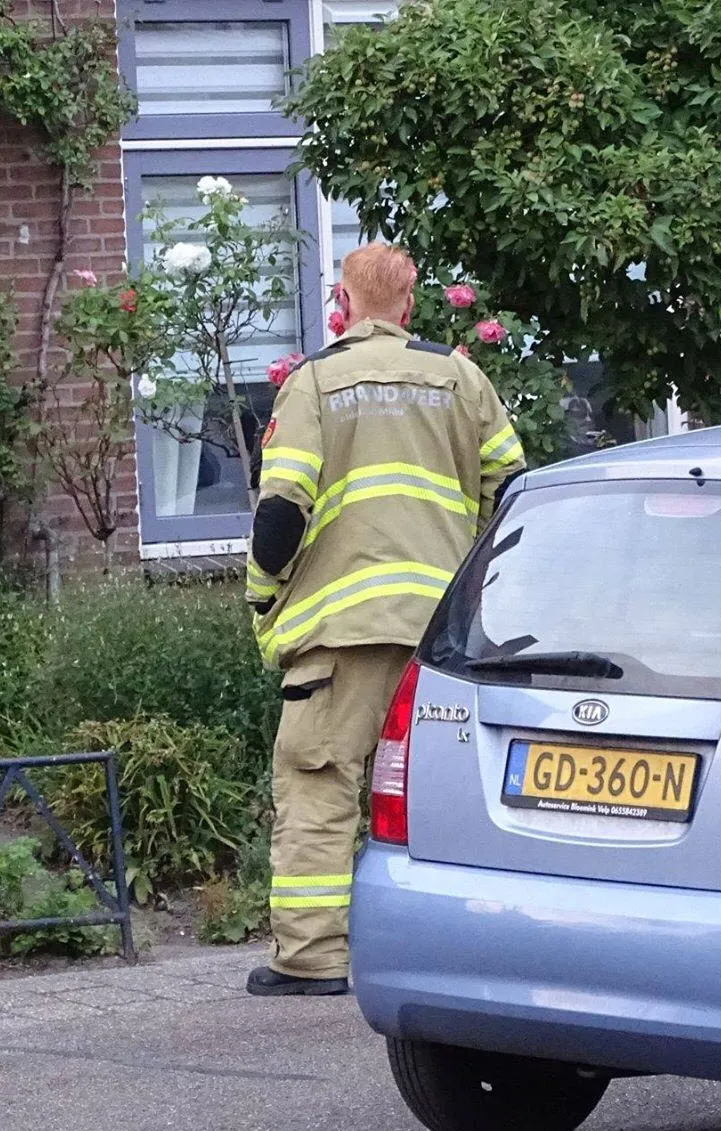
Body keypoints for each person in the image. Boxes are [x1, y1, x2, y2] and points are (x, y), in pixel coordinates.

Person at [243, 243, 527, 996]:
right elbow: (516, 490)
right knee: (448, 792)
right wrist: (481, 588)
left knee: (318, 779)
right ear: (409, 305)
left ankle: (310, 958)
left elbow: (281, 511)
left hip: (344, 633)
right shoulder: (460, 377)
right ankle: (465, 959)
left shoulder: (315, 384)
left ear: (343, 301)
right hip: (444, 634)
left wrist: (263, 597)